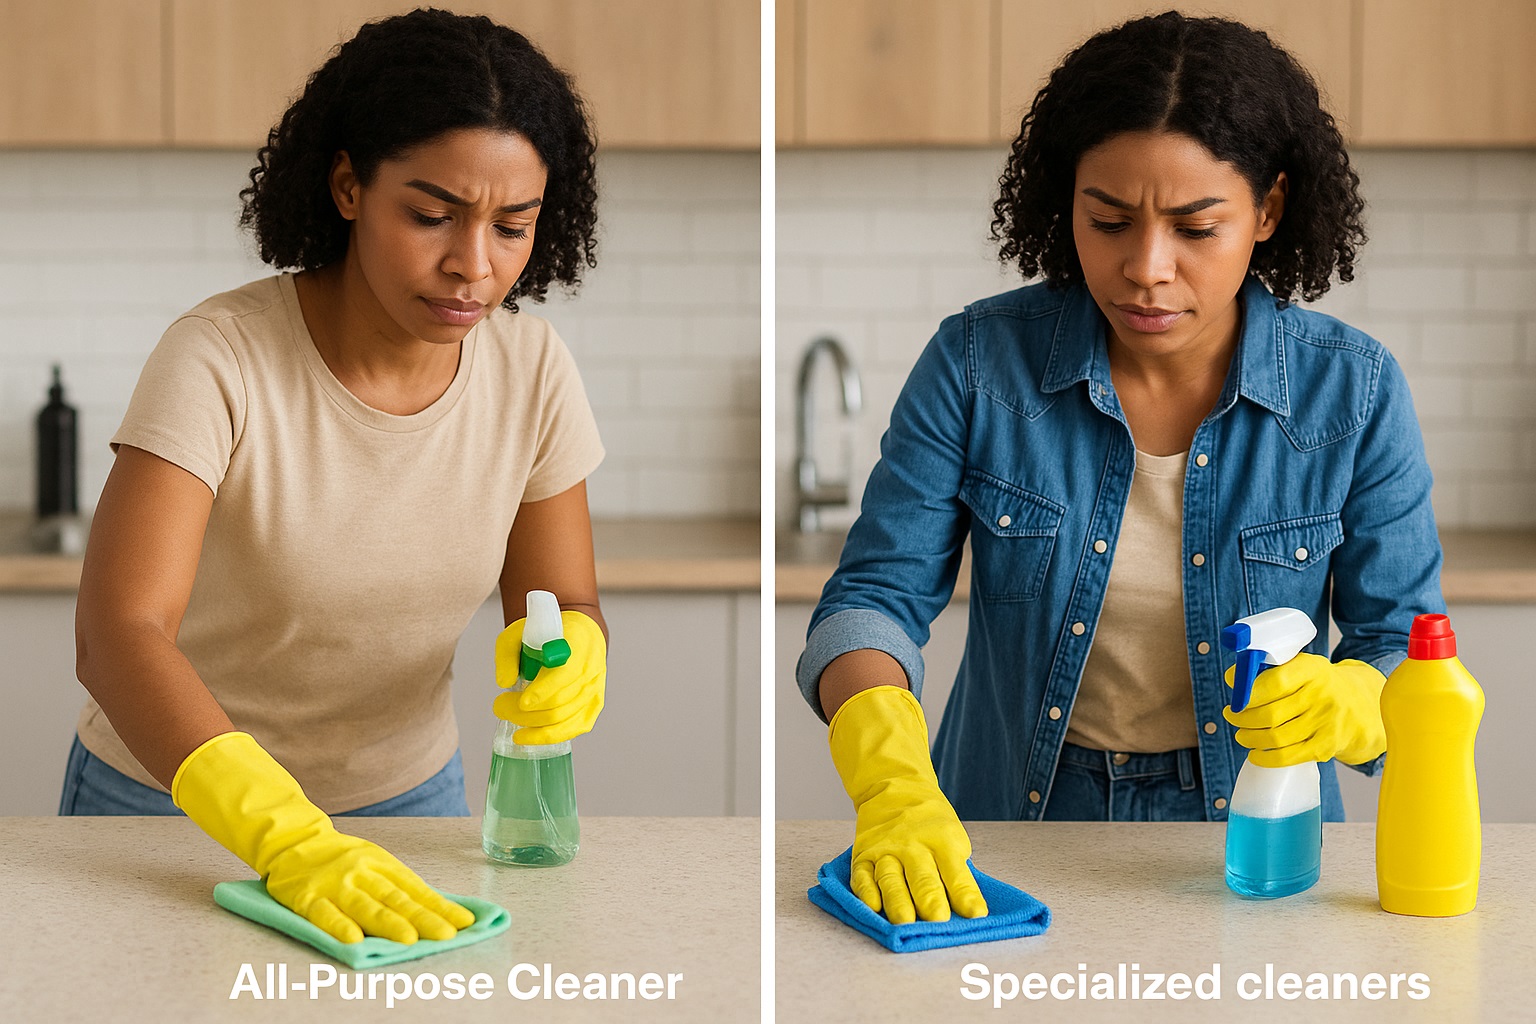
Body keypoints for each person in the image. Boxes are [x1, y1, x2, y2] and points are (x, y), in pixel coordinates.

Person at [797, 10, 1444, 926]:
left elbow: (1408, 649)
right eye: (1109, 220)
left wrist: (1357, 700)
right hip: (1006, 826)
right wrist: (887, 773)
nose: (1145, 268)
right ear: (1066, 204)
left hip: (1259, 839)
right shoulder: (979, 363)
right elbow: (872, 600)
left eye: (1195, 228)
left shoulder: (1356, 391)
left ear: (1268, 211)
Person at [67, 9, 609, 945]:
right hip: (175, 812)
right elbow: (119, 634)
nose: (472, 267)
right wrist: (282, 836)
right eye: (431, 215)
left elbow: (557, 597)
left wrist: (575, 653)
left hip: (408, 807)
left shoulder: (534, 368)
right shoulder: (219, 357)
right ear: (350, 185)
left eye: (512, 226)